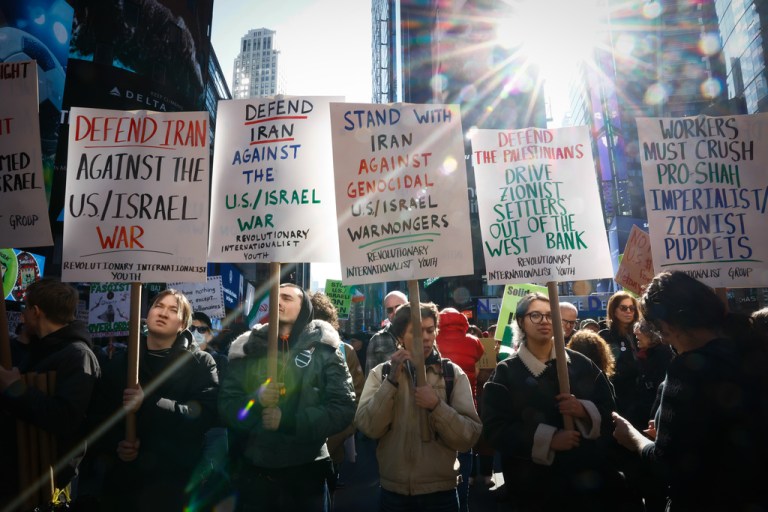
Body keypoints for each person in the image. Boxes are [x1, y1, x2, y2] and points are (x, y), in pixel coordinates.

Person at [612, 271, 768, 512]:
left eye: (659, 329)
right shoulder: (753, 350)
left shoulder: (689, 369)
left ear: (669, 324)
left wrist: (632, 437)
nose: (663, 340)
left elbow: (668, 463)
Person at [219, 283, 356, 512]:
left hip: (308, 473)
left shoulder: (324, 349)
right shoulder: (247, 349)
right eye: (274, 297)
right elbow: (226, 408)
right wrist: (255, 401)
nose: (278, 301)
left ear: (304, 308)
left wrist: (290, 421)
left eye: (286, 297)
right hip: (257, 473)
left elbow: (343, 408)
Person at [482, 292, 621, 512]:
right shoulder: (505, 373)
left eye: (549, 315)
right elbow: (495, 429)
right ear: (520, 322)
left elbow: (610, 410)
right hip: (531, 489)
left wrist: (584, 410)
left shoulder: (582, 365)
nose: (545, 321)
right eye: (535, 315)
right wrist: (549, 439)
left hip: (584, 486)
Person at [92, 289, 219, 512]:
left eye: (173, 310)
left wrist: (149, 402)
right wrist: (117, 444)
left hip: (171, 481)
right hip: (124, 483)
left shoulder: (200, 363)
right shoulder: (122, 362)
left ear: (182, 325)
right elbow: (98, 416)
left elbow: (204, 416)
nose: (163, 313)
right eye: (158, 306)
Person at [355, 302, 482, 512]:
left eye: (430, 330)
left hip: (441, 494)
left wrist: (436, 406)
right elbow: (368, 427)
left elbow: (469, 436)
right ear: (400, 337)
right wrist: (391, 383)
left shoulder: (451, 373)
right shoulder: (381, 373)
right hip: (394, 494)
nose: (425, 337)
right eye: (416, 331)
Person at [0, 278, 100, 509]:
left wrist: (16, 388)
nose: (23, 313)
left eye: (25, 306)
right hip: (18, 471)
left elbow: (65, 417)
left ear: (36, 311)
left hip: (47, 481)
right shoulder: (38, 348)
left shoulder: (78, 356)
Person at [309, 291, 365, 505]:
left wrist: (333, 440)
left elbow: (356, 400)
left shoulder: (344, 350)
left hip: (333, 448)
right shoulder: (289, 349)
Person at [436, 307, 485, 510]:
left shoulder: (434, 341)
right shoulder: (473, 342)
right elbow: (482, 357)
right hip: (466, 402)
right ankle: (461, 502)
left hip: (438, 406)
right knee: (464, 450)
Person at [598, 291, 640, 421]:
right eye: (623, 308)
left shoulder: (641, 332)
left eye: (632, 308)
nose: (628, 311)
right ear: (614, 310)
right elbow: (609, 368)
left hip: (643, 396)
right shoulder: (606, 336)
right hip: (620, 397)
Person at [365, 290, 408, 373]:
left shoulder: (420, 333)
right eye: (390, 310)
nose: (395, 312)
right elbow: (370, 381)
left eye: (398, 307)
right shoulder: (377, 340)